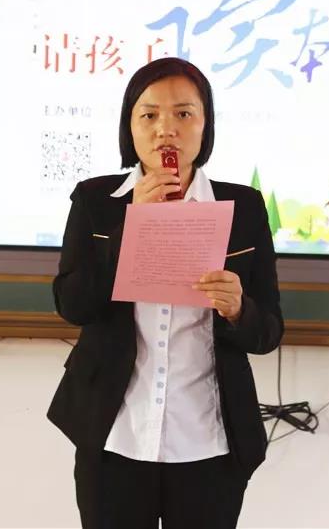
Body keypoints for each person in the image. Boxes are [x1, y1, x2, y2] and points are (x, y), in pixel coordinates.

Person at [48, 57, 284, 529]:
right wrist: (130, 226)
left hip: (209, 440)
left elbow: (269, 330)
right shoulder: (96, 201)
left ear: (205, 124)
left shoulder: (243, 206)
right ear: (130, 126)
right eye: (149, 115)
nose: (165, 130)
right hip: (115, 434)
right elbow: (73, 305)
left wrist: (239, 310)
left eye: (183, 113)